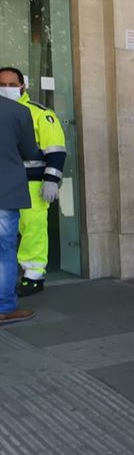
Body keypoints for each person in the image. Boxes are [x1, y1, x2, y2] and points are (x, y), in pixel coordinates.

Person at [0, 67, 66, 297]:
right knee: (8, 233)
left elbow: (56, 150)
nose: (6, 89)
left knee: (32, 230)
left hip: (32, 183)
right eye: (2, 85)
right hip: (5, 184)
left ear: (22, 86)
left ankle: (33, 276)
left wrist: (51, 180)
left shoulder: (39, 114)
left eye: (11, 84)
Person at [0, 95, 39, 324]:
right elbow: (30, 151)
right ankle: (4, 307)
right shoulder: (17, 111)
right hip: (5, 190)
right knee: (4, 250)